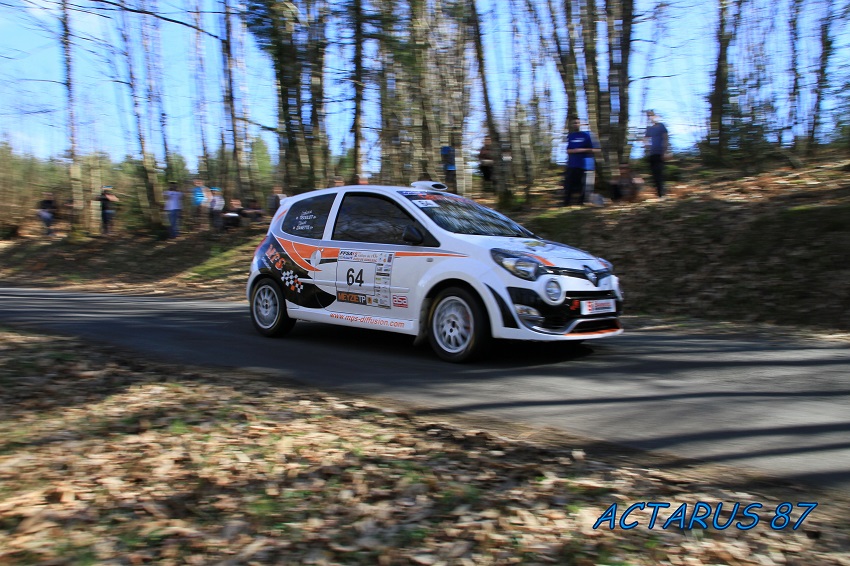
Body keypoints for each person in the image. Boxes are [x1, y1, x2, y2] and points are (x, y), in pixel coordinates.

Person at [563, 116, 598, 207]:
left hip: (586, 165)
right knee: (568, 184)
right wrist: (573, 151)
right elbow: (568, 150)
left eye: (577, 123)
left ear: (580, 124)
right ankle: (566, 203)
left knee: (585, 185)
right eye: (574, 123)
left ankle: (582, 203)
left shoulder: (588, 135)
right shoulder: (571, 136)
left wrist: (582, 150)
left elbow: (597, 149)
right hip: (572, 165)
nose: (575, 124)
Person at [644, 110, 669, 198]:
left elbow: (665, 138)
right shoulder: (649, 128)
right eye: (648, 116)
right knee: (654, 175)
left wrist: (665, 152)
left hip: (660, 153)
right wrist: (647, 148)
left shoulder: (661, 126)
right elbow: (646, 139)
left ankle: (662, 193)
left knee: (659, 173)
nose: (650, 117)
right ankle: (659, 194)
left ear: (654, 116)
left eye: (651, 115)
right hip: (652, 154)